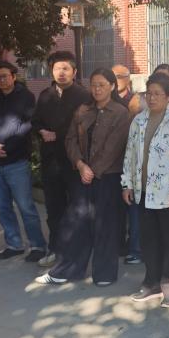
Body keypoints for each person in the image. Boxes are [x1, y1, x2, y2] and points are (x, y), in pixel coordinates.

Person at [37, 69, 131, 287]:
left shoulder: (121, 113)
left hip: (107, 177)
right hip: (82, 175)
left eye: (102, 85)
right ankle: (67, 270)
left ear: (112, 86)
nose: (97, 89)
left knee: (105, 225)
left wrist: (92, 170)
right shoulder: (83, 110)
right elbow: (70, 139)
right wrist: (80, 165)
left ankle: (105, 273)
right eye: (94, 84)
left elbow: (114, 148)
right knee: (76, 223)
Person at [122, 74, 169, 307]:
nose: (152, 98)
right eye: (149, 93)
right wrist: (127, 183)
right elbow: (130, 154)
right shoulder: (139, 120)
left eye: (157, 94)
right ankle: (152, 282)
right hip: (144, 192)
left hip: (168, 194)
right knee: (149, 241)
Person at [0, 60, 47, 261]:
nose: (1, 80)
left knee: (26, 206)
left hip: (17, 160)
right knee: (2, 206)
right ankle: (14, 244)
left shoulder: (26, 97)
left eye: (5, 76)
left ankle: (37, 246)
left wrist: (7, 147)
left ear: (13, 76)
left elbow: (27, 125)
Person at [32, 51, 91, 266]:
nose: (61, 73)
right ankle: (55, 250)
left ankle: (76, 253)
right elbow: (35, 121)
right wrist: (41, 131)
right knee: (54, 208)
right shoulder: (45, 95)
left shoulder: (83, 96)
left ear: (74, 72)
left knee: (77, 210)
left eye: (66, 68)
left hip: (74, 162)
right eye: (57, 69)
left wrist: (58, 134)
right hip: (51, 161)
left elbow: (84, 127)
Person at [112, 63, 144, 264]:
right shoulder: (105, 101)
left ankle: (135, 248)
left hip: (132, 162)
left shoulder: (137, 100)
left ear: (127, 78)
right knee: (116, 208)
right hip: (112, 163)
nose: (114, 81)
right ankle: (118, 244)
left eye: (118, 76)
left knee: (133, 208)